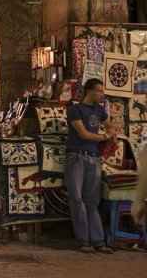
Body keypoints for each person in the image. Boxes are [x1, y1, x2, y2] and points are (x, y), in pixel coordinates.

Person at [66, 78, 116, 254]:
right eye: (99, 91)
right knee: (77, 199)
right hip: (77, 157)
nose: (102, 94)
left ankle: (98, 241)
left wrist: (110, 134)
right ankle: (84, 240)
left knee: (92, 201)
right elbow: (84, 134)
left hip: (94, 158)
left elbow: (110, 127)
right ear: (90, 91)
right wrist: (104, 137)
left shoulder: (99, 111)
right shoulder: (75, 110)